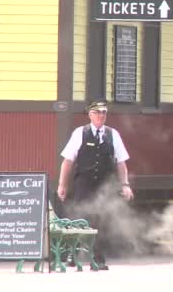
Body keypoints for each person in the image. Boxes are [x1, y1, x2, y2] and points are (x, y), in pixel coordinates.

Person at [57, 100, 133, 269]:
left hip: (104, 184)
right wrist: (62, 185)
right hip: (83, 182)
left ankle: (98, 259)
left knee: (102, 220)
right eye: (97, 112)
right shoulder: (80, 133)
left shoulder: (113, 134)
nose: (101, 116)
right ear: (90, 114)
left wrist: (125, 185)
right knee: (79, 218)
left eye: (104, 112)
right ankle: (73, 255)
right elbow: (67, 161)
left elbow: (121, 163)